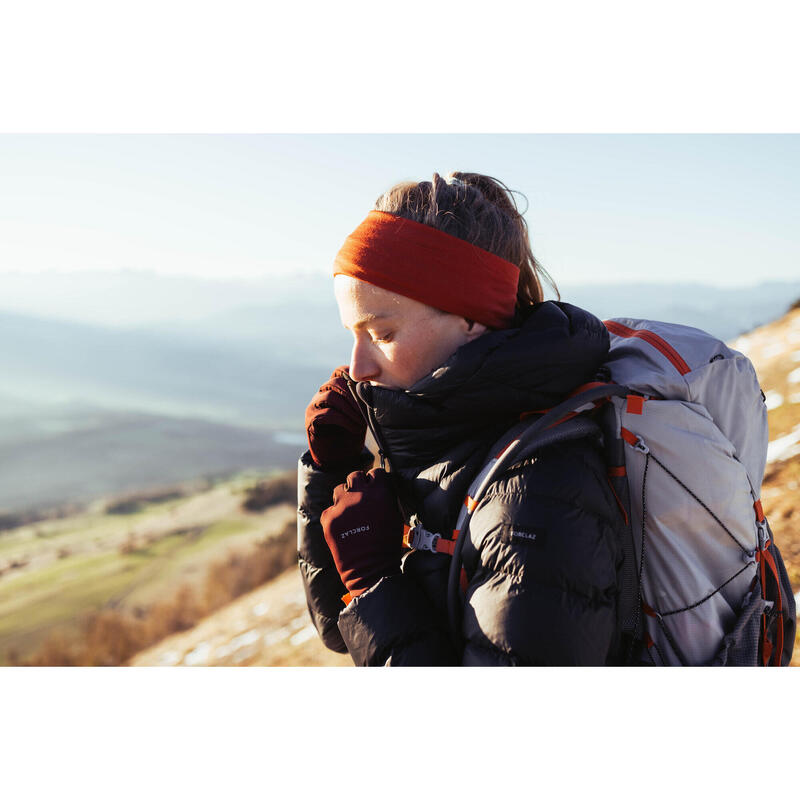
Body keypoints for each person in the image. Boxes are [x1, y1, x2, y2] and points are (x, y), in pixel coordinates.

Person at [297, 172, 625, 666]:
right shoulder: (450, 443)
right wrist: (331, 468)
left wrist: (375, 581)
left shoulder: (533, 499)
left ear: (472, 320)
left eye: (382, 333)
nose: (358, 368)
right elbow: (339, 630)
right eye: (354, 334)